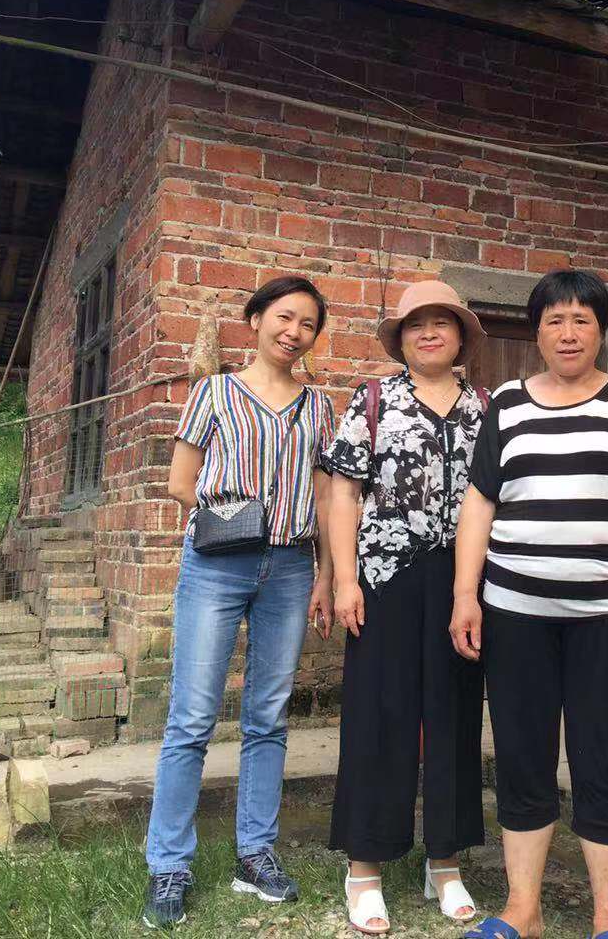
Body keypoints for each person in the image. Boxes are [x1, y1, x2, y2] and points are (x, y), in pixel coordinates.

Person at [449, 269, 608, 939]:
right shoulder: (507, 404)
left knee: (604, 760)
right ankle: (524, 909)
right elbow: (480, 503)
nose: (568, 333)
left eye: (582, 320)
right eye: (555, 320)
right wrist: (466, 594)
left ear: (602, 330)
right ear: (537, 332)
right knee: (523, 757)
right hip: (515, 612)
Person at [142, 276, 337, 930]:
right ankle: (169, 864)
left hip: (291, 569)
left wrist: (326, 575)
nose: (294, 332)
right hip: (217, 566)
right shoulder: (215, 392)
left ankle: (256, 854)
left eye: (307, 324)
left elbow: (325, 495)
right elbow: (181, 481)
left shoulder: (319, 408)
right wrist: (234, 512)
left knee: (269, 718)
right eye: (284, 317)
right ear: (255, 319)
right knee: (192, 719)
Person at [326, 280, 490, 934]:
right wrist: (345, 580)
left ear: (460, 336)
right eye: (416, 324)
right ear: (400, 338)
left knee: (454, 717)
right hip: (384, 578)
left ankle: (444, 862)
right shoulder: (372, 400)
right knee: (378, 715)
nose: (429, 333)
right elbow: (344, 495)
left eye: (441, 322)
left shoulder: (485, 407)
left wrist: (472, 589)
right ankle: (364, 867)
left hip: (463, 581)